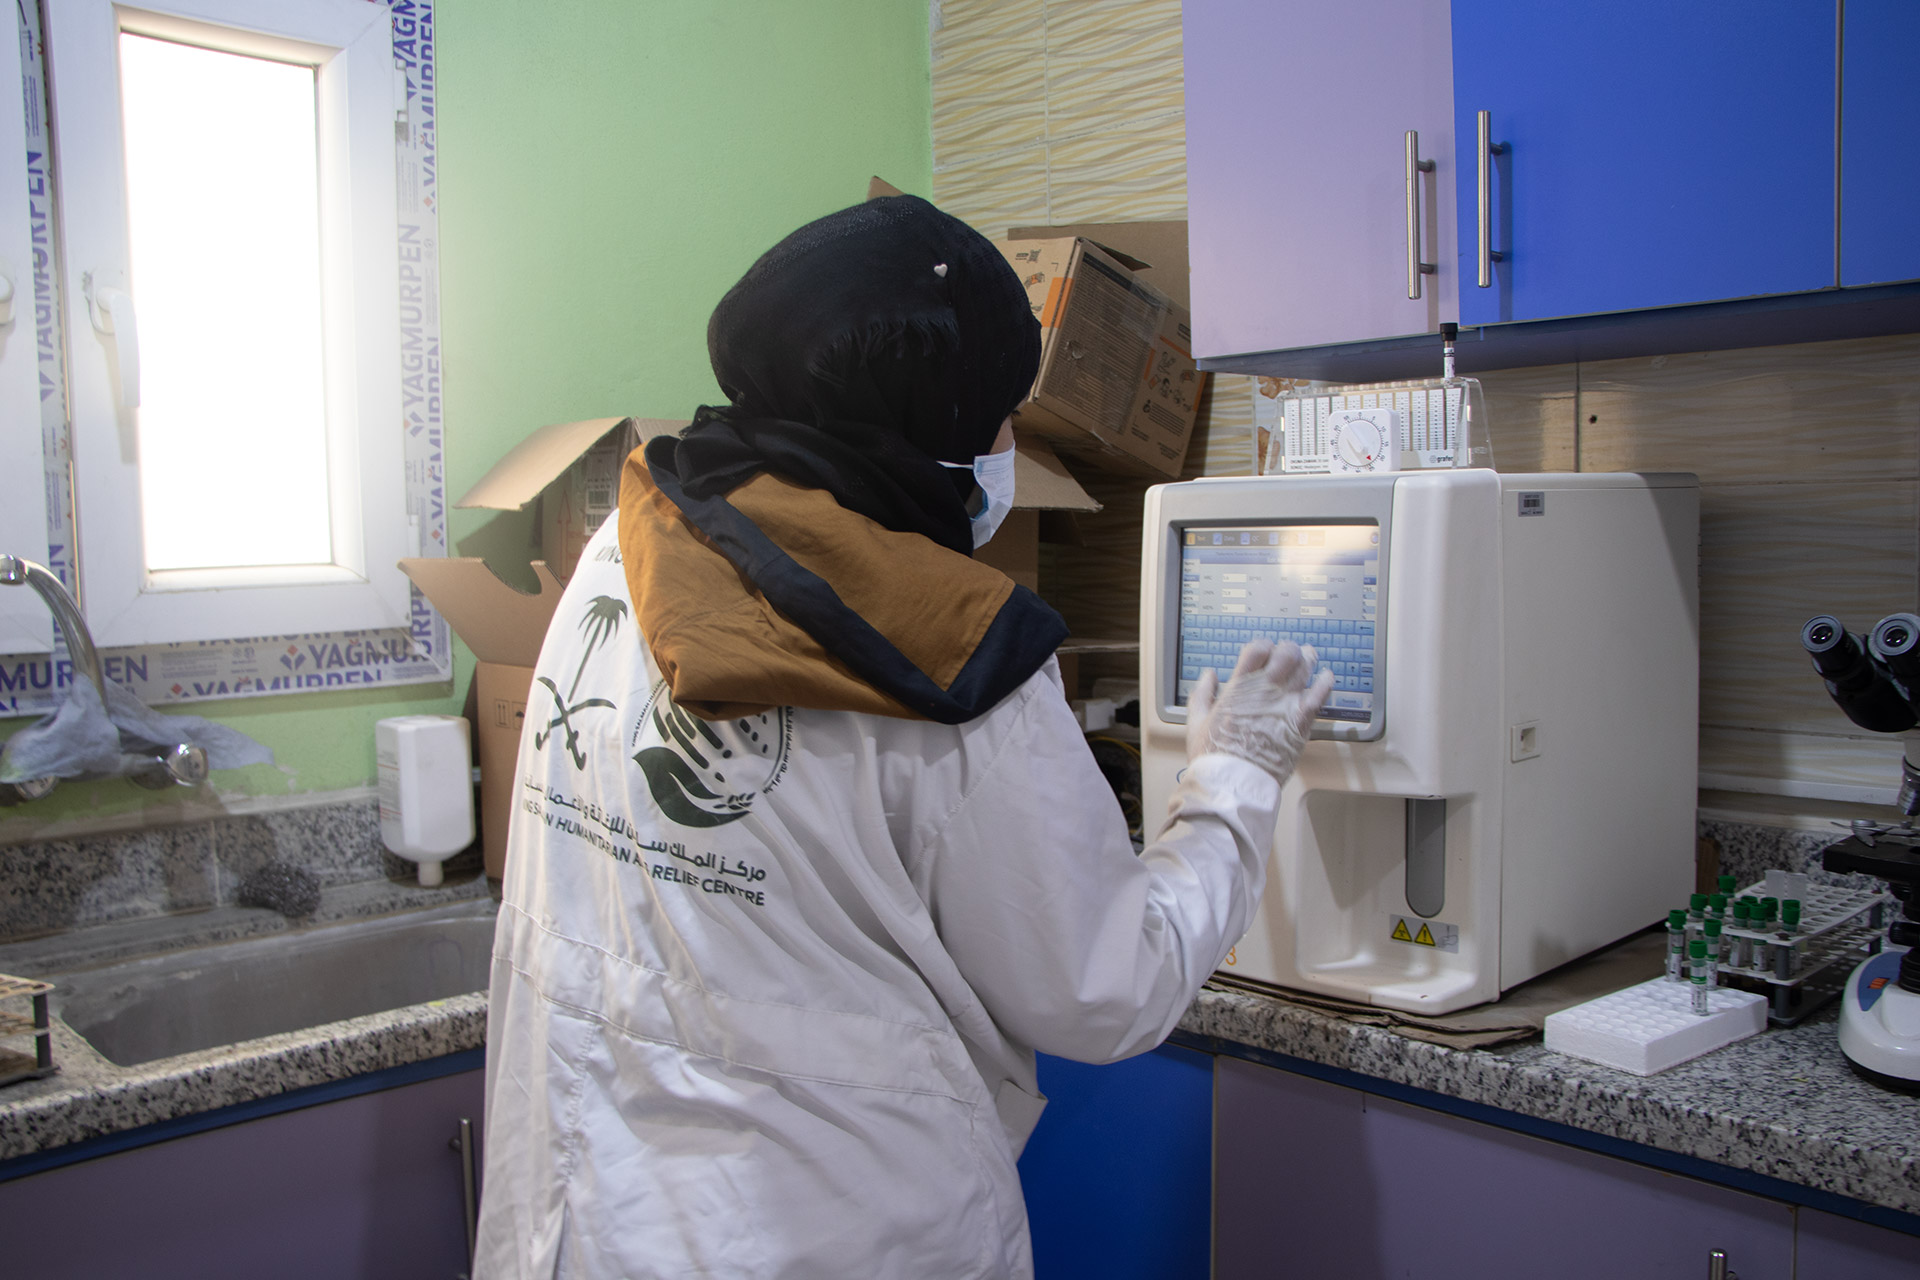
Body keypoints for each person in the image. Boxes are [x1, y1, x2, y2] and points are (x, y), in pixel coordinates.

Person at [472, 194, 1331, 1279]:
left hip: (593, 1219)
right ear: (936, 414)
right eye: (1002, 409)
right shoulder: (953, 661)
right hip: (833, 1232)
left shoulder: (627, 537)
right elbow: (1108, 985)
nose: (1011, 439)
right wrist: (1235, 777)